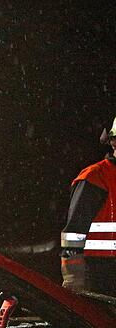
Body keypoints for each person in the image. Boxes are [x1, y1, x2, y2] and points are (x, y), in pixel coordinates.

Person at [61, 115, 116, 294]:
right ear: (113, 142)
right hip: (100, 278)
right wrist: (74, 277)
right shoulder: (95, 177)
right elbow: (73, 234)